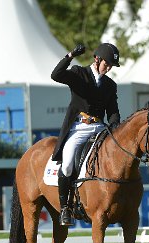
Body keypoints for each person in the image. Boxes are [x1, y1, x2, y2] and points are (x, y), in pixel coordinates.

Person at [50, 42, 121, 226]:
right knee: (66, 166)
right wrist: (71, 54)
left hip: (99, 127)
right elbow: (55, 75)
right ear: (97, 59)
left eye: (111, 66)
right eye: (107, 64)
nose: (109, 68)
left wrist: (115, 126)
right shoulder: (78, 73)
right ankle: (65, 207)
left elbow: (113, 111)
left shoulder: (110, 85)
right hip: (79, 128)